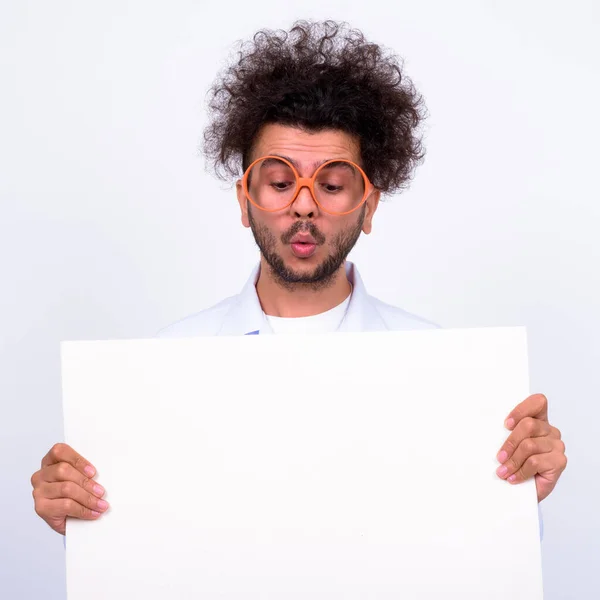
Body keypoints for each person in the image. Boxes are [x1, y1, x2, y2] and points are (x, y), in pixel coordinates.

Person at [31, 20, 567, 536]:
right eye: (281, 181)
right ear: (246, 201)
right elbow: (141, 549)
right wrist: (78, 516)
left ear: (369, 207)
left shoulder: (446, 374)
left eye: (332, 185)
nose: (304, 207)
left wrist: (519, 498)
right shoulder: (160, 370)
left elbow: (473, 555)